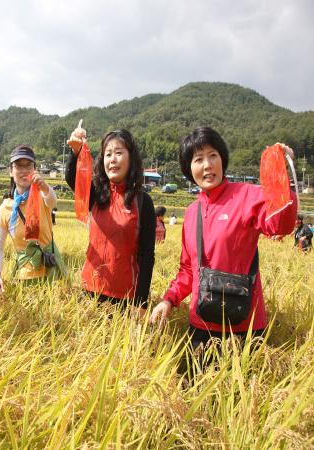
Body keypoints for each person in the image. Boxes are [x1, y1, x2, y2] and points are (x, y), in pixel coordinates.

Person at [149, 127, 297, 350]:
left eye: (213, 156)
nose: (207, 165)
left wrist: (280, 177)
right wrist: (169, 299)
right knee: (191, 383)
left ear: (222, 159)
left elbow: (281, 225)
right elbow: (188, 270)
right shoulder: (191, 213)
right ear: (189, 169)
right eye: (198, 159)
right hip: (202, 323)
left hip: (245, 326)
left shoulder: (248, 195)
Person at [66, 127, 156, 313]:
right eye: (108, 154)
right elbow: (73, 179)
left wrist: (141, 302)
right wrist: (75, 152)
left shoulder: (142, 202)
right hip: (89, 290)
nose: (112, 159)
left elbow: (147, 256)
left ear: (131, 158)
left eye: (118, 153)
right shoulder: (97, 194)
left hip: (124, 298)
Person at [0, 145, 66, 294]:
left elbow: (52, 202)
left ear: (35, 169)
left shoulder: (42, 195)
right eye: (19, 166)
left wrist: (45, 187)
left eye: (29, 165)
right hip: (25, 277)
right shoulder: (5, 209)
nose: (24, 170)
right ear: (10, 171)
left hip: (52, 271)